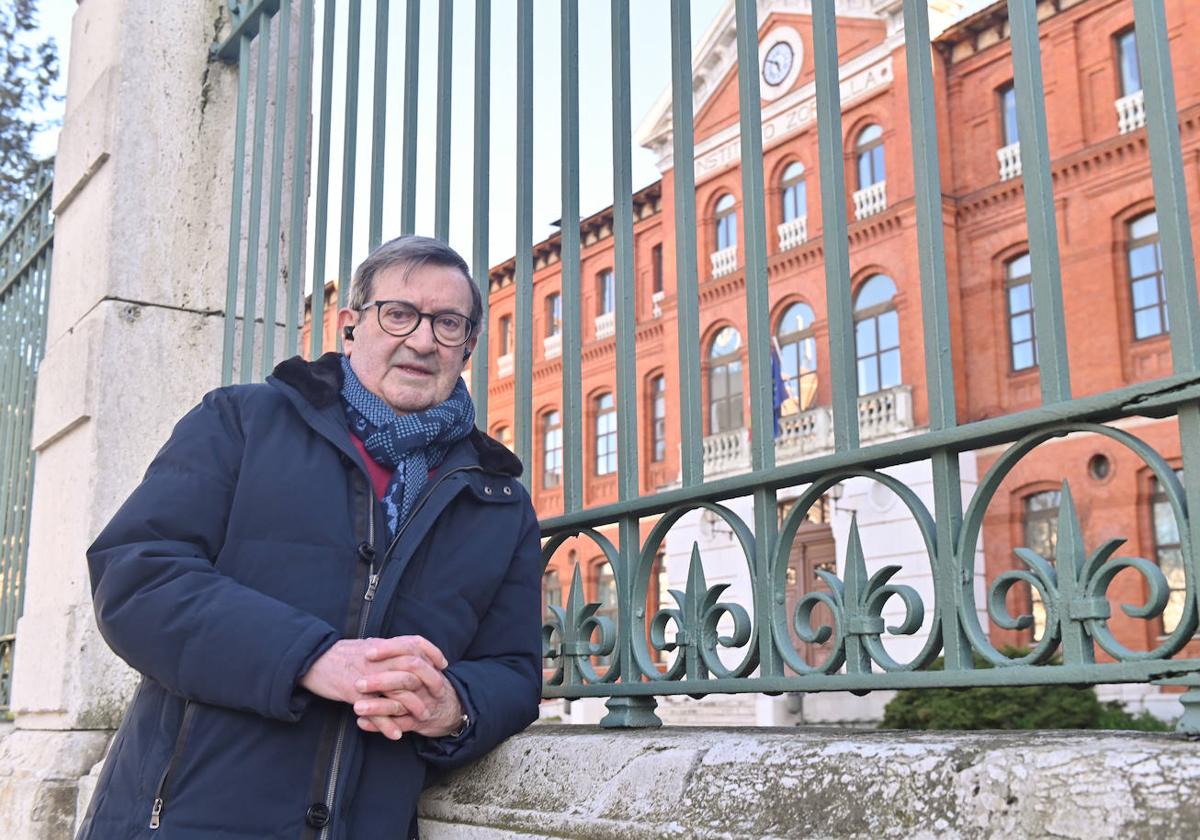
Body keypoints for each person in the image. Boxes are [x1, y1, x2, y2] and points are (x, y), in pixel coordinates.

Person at [78, 235, 543, 840]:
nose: (423, 340)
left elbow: (513, 671)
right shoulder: (241, 422)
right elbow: (137, 576)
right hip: (185, 820)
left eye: (448, 324)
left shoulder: (498, 498)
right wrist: (310, 658)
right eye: (399, 314)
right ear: (351, 326)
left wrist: (453, 707)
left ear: (469, 346)